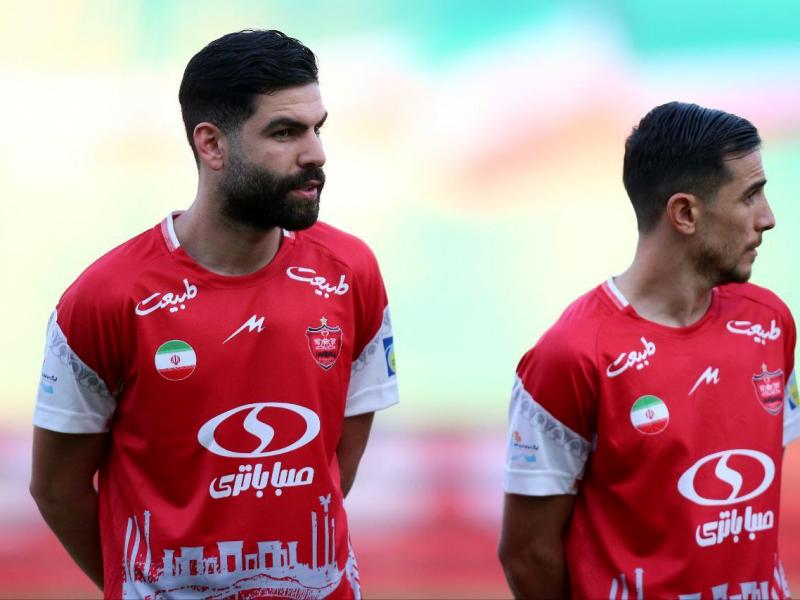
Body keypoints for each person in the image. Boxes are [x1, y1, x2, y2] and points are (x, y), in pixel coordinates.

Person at [30, 30, 398, 599]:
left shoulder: (351, 273)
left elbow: (335, 465)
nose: (315, 154)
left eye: (317, 129)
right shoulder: (106, 297)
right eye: (284, 132)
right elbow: (58, 489)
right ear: (212, 145)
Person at [498, 101, 799, 599]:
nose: (767, 218)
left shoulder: (771, 322)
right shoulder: (572, 354)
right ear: (685, 213)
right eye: (750, 196)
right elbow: (527, 554)